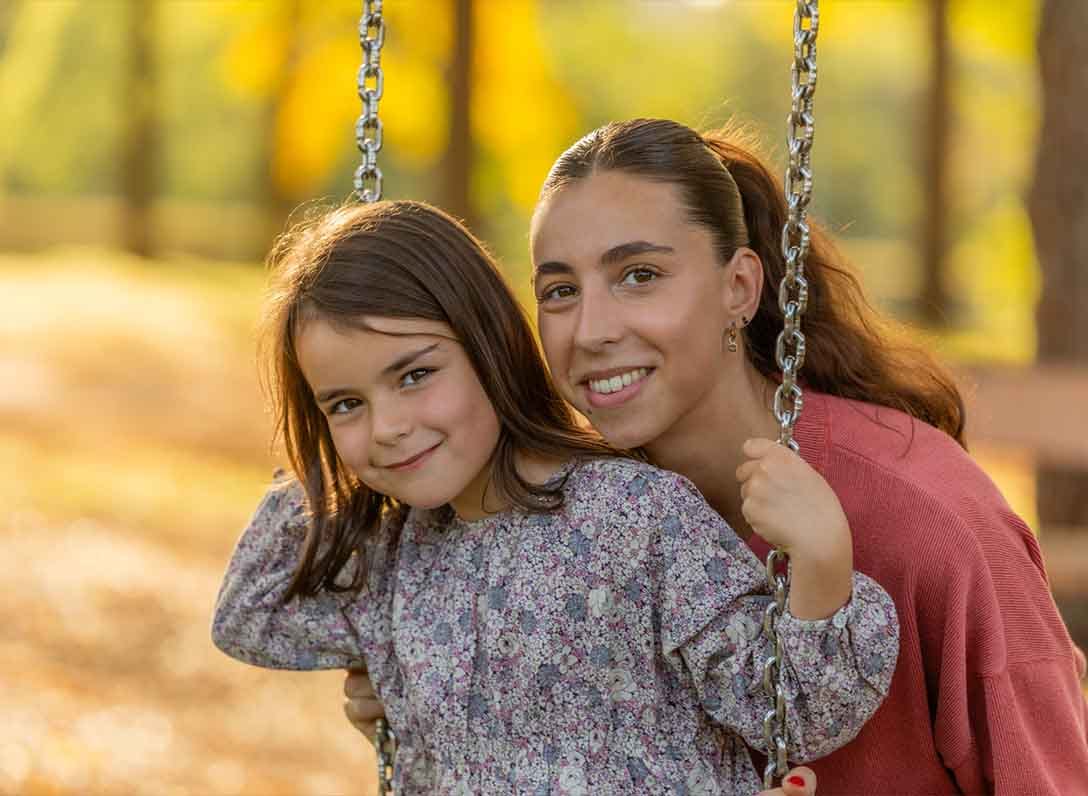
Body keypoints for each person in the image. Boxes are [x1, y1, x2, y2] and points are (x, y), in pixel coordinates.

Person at [344, 118, 1088, 793]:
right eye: (561, 290)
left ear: (739, 286)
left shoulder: (926, 524)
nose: (592, 329)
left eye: (640, 275)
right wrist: (430, 690)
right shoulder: (585, 513)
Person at [211, 199, 899, 795]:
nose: (388, 427)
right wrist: (327, 460)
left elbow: (792, 714)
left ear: (490, 346)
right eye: (345, 403)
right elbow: (250, 619)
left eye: (416, 374)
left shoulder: (635, 517)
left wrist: (822, 557)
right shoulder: (395, 555)